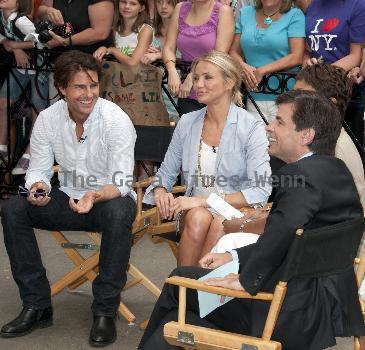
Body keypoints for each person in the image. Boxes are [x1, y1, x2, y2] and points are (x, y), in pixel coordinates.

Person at [138, 89, 365, 350]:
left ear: (306, 135)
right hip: (319, 306)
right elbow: (295, 241)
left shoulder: (300, 176)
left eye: (279, 121)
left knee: (179, 283)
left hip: (282, 312)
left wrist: (244, 280)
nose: (269, 127)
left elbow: (285, 230)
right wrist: (234, 258)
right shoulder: (337, 171)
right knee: (181, 319)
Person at [0, 50, 137, 347]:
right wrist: (39, 188)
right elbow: (38, 167)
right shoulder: (49, 119)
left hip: (107, 198)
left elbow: (124, 180)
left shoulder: (116, 120)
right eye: (79, 87)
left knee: (118, 213)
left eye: (93, 86)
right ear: (62, 88)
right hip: (67, 197)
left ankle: (105, 310)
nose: (88, 94)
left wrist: (95, 195)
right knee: (13, 210)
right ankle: (37, 305)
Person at [143, 50, 271, 267]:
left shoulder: (251, 127)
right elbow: (164, 174)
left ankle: (190, 294)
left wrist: (203, 201)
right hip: (194, 212)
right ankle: (185, 289)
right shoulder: (187, 122)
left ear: (229, 82)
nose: (198, 84)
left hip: (235, 211)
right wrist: (160, 190)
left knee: (220, 222)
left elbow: (260, 190)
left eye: (208, 77)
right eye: (196, 77)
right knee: (198, 217)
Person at [296, 0, 365, 147]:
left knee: (347, 149)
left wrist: (319, 75)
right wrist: (308, 64)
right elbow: (308, 50)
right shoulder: (312, 6)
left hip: (344, 92)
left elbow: (355, 56)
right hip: (314, 91)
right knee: (315, 148)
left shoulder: (358, 4)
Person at [229, 0, 305, 123]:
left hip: (286, 96)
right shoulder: (245, 13)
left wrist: (263, 70)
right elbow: (233, 51)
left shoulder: (295, 14)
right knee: (255, 140)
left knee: (281, 140)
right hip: (252, 94)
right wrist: (242, 65)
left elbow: (297, 56)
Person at [0, 0, 49, 175]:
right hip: (20, 66)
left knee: (38, 108)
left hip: (38, 67)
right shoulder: (2, 17)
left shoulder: (21, 21)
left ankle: (31, 153)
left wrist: (15, 46)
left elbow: (41, 42)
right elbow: (3, 38)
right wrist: (12, 47)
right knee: (3, 101)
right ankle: (2, 147)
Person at [162, 0, 234, 114]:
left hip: (213, 89)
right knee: (188, 130)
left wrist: (193, 76)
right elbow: (169, 48)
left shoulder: (223, 11)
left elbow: (219, 55)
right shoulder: (180, 8)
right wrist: (172, 71)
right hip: (187, 89)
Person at [141, 0, 181, 122]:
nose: (163, 7)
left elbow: (188, 58)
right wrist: (147, 53)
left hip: (178, 91)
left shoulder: (184, 30)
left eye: (169, 2)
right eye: (159, 2)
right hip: (154, 94)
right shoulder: (150, 30)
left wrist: (160, 54)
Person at [93, 0, 153, 66]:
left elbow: (133, 63)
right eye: (123, 2)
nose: (127, 6)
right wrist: (104, 49)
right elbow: (109, 53)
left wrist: (113, 50)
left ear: (142, 8)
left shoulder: (145, 30)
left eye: (133, 4)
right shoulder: (115, 29)